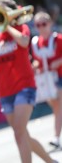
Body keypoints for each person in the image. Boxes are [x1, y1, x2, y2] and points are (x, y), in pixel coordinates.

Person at [0, 0, 58, 163]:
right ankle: (51, 161)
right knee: (22, 134)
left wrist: (7, 26)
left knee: (19, 132)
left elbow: (25, 42)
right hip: (5, 91)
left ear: (11, 13)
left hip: (25, 86)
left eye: (2, 12)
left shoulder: (21, 28)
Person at [31, 11, 62, 148]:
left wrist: (59, 61)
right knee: (56, 108)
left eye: (44, 23)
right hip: (47, 81)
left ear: (50, 24)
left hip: (60, 77)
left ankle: (56, 137)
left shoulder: (58, 39)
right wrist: (34, 66)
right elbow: (37, 61)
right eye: (38, 25)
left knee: (59, 108)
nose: (41, 27)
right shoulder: (36, 43)